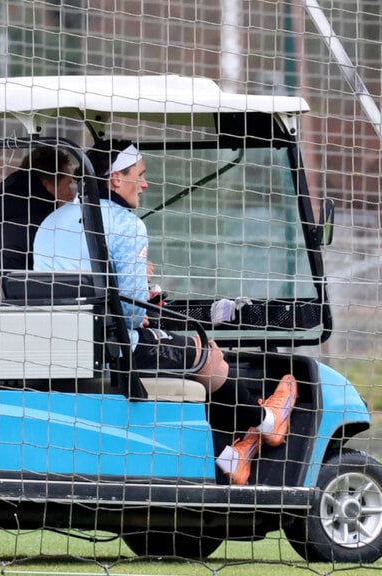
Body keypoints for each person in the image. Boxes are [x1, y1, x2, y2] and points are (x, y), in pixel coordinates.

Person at [32, 138, 298, 485]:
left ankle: (231, 457)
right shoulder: (127, 225)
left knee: (180, 348)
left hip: (61, 348)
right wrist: (139, 301)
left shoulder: (50, 222)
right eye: (140, 175)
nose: (144, 184)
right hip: (112, 350)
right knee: (206, 354)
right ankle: (268, 423)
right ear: (115, 178)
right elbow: (130, 312)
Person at [0, 146, 76, 274]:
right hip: (19, 287)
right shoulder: (46, 225)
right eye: (67, 185)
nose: (71, 195)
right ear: (47, 185)